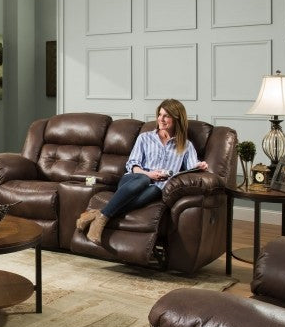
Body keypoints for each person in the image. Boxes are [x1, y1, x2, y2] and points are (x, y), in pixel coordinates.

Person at [76, 98, 208, 244]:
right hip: (133, 180)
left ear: (177, 119)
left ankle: (98, 214)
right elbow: (133, 164)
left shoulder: (186, 145)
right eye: (160, 115)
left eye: (166, 116)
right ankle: (101, 220)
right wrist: (149, 174)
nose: (161, 119)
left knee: (155, 190)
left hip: (156, 186)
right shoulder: (145, 138)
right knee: (144, 180)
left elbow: (191, 167)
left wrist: (200, 165)